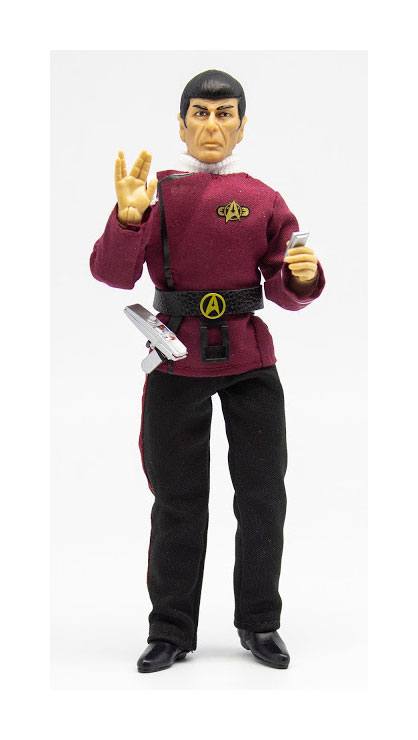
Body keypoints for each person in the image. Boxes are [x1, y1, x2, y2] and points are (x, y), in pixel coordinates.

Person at [90, 69, 325, 673]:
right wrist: (129, 219)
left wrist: (300, 276)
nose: (212, 126)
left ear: (242, 127)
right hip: (177, 359)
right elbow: (113, 273)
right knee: (177, 499)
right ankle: (170, 628)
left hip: (248, 360)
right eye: (200, 113)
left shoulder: (263, 197)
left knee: (263, 495)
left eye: (225, 115)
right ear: (182, 124)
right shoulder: (158, 194)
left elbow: (285, 284)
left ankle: (260, 621)